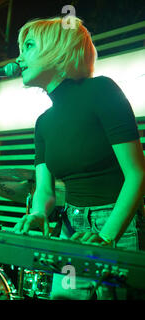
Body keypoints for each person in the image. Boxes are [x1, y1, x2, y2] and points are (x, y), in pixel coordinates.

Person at [12, 17, 145, 299]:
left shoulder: (102, 91)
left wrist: (108, 236)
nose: (19, 56)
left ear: (58, 48)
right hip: (71, 227)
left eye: (29, 46)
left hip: (118, 223)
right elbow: (45, 191)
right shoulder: (43, 122)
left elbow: (137, 174)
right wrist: (38, 213)